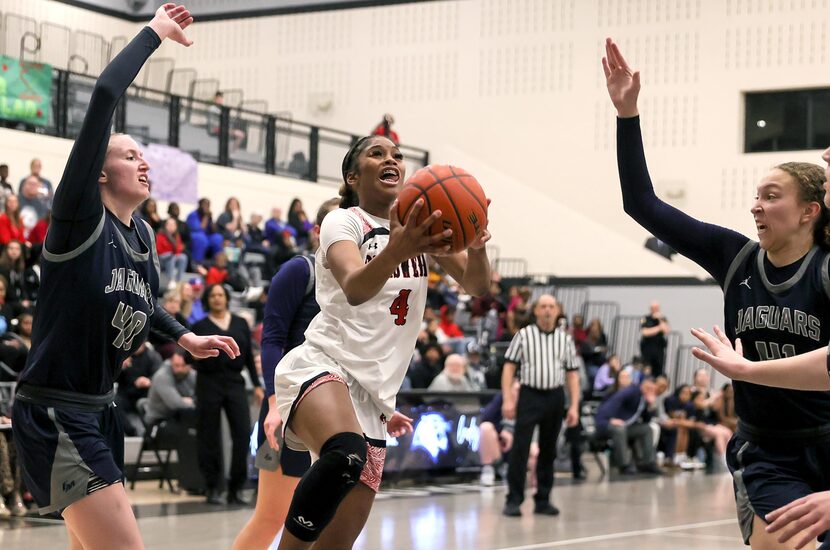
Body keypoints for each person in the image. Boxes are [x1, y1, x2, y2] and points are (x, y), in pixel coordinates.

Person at [11, 8, 242, 550]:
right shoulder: (78, 218)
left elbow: (143, 303)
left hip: (101, 409)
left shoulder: (143, 237)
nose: (143, 163)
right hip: (56, 410)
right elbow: (105, 95)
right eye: (128, 155)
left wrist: (183, 335)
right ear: (98, 170)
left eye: (144, 156)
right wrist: (155, 32)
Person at [605, 37, 830, 548]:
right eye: (755, 196)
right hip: (769, 452)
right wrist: (627, 113)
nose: (755, 207)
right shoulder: (735, 257)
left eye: (771, 197)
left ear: (809, 211)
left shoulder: (824, 268)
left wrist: (747, 370)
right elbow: (642, 204)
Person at [273, 134, 490, 548]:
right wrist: (397, 248)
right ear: (353, 176)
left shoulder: (420, 230)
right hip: (325, 363)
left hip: (374, 395)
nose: (391, 159)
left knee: (336, 543)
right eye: (377, 153)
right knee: (344, 455)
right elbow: (355, 287)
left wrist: (475, 247)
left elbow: (477, 285)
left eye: (397, 155)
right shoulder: (344, 220)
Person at [234, 197, 330, 549]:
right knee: (272, 517)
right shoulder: (300, 270)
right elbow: (271, 339)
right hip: (289, 405)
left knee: (323, 522)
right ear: (318, 231)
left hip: (337, 410)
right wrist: (275, 401)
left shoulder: (356, 283)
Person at [500, 294, 580, 517]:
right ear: (535, 311)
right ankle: (514, 499)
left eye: (551, 307)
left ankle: (543, 499)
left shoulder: (565, 339)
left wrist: (573, 406)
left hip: (554, 396)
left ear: (557, 311)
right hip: (530, 394)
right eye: (543, 306)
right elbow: (509, 368)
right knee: (521, 449)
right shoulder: (524, 335)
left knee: (548, 450)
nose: (547, 310)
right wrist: (508, 398)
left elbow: (572, 374)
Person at [191, 283, 263, 505]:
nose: (217, 299)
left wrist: (257, 384)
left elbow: (249, 357)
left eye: (221, 295)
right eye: (213, 295)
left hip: (235, 382)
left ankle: (236, 488)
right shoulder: (199, 325)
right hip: (208, 382)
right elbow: (188, 356)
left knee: (242, 434)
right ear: (207, 300)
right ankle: (213, 487)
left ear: (227, 298)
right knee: (209, 436)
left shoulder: (241, 323)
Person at [594, 378, 661, 475]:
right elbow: (614, 402)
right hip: (606, 424)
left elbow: (646, 420)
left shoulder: (644, 398)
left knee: (647, 429)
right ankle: (624, 465)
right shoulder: (632, 391)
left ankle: (647, 463)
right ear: (644, 385)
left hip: (626, 427)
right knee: (619, 430)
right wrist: (609, 419)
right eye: (649, 388)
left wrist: (651, 405)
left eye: (653, 389)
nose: (651, 391)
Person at [639, 301, 670, 377]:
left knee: (659, 371)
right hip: (647, 348)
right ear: (651, 309)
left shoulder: (662, 319)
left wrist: (660, 319)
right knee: (646, 369)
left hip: (659, 349)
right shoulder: (645, 318)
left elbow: (666, 330)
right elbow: (645, 332)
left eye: (657, 308)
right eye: (654, 308)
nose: (656, 309)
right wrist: (659, 328)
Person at [156, 217, 188, 287]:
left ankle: (178, 280)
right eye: (169, 225)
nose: (171, 227)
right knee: (171, 257)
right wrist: (171, 254)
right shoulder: (160, 235)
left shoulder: (176, 236)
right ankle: (170, 280)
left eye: (173, 225)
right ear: (165, 226)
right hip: (161, 260)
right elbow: (158, 251)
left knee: (183, 257)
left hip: (172, 258)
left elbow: (178, 250)